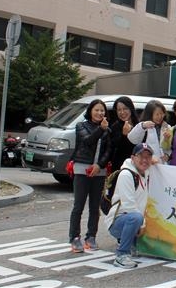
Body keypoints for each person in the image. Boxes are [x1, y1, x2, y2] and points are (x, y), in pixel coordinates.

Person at [69, 99, 112, 253]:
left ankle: (91, 237)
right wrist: (101, 129)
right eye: (97, 110)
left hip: (98, 171)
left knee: (95, 207)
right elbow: (87, 141)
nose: (100, 113)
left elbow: (108, 150)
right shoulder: (81, 125)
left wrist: (99, 165)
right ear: (90, 111)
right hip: (81, 168)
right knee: (78, 205)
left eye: (102, 110)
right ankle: (74, 238)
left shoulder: (107, 129)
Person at [105, 143, 153, 269]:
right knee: (136, 217)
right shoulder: (126, 174)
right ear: (132, 158)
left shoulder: (145, 172)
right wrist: (142, 225)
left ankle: (132, 244)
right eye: (140, 156)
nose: (144, 160)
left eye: (148, 157)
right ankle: (121, 255)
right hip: (119, 221)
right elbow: (128, 206)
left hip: (133, 220)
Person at [109, 96, 139, 172]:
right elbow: (115, 149)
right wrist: (124, 135)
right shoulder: (115, 127)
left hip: (137, 166)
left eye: (125, 108)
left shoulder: (139, 125)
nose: (122, 112)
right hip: (120, 168)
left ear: (131, 108)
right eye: (119, 110)